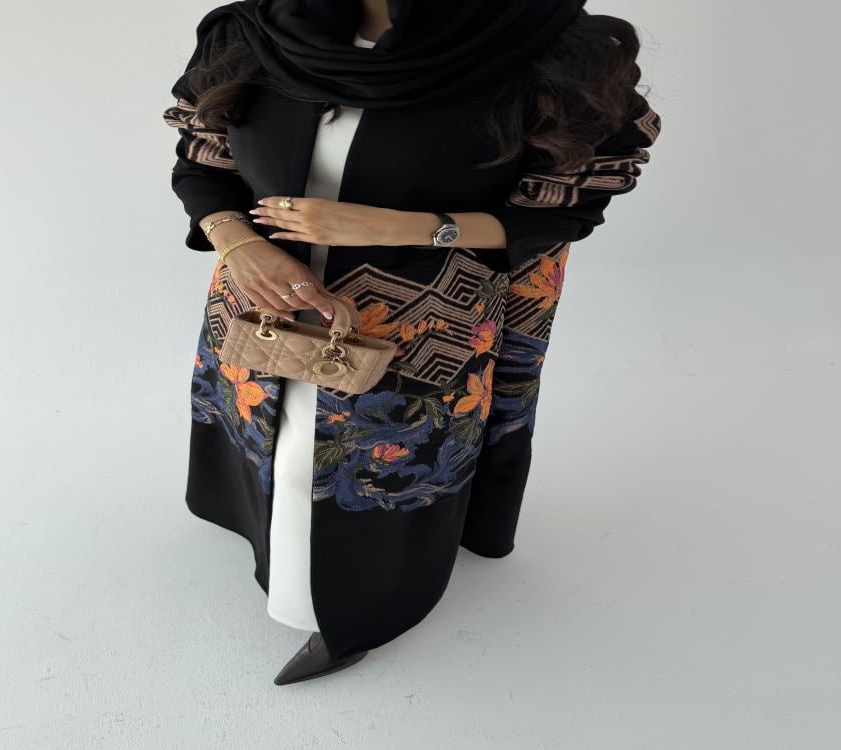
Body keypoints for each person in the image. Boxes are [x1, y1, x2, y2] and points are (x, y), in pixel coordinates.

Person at [163, 0, 662, 686]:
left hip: (420, 323)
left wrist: (401, 228)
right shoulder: (256, 31)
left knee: (349, 467)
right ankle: (271, 542)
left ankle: (347, 610)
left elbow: (566, 204)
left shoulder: (545, 47)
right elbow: (202, 164)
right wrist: (238, 242)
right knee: (273, 441)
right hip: (265, 302)